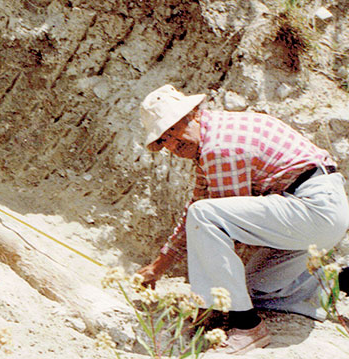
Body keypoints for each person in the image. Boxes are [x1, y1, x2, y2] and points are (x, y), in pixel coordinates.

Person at [137, 84, 349, 354]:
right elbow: (198, 210)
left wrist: (209, 307)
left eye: (173, 129)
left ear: (193, 115)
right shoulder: (213, 140)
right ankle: (340, 280)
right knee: (250, 290)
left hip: (313, 208)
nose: (171, 144)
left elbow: (218, 227)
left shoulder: (220, 148)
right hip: (315, 214)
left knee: (211, 232)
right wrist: (158, 267)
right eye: (163, 139)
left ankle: (247, 326)